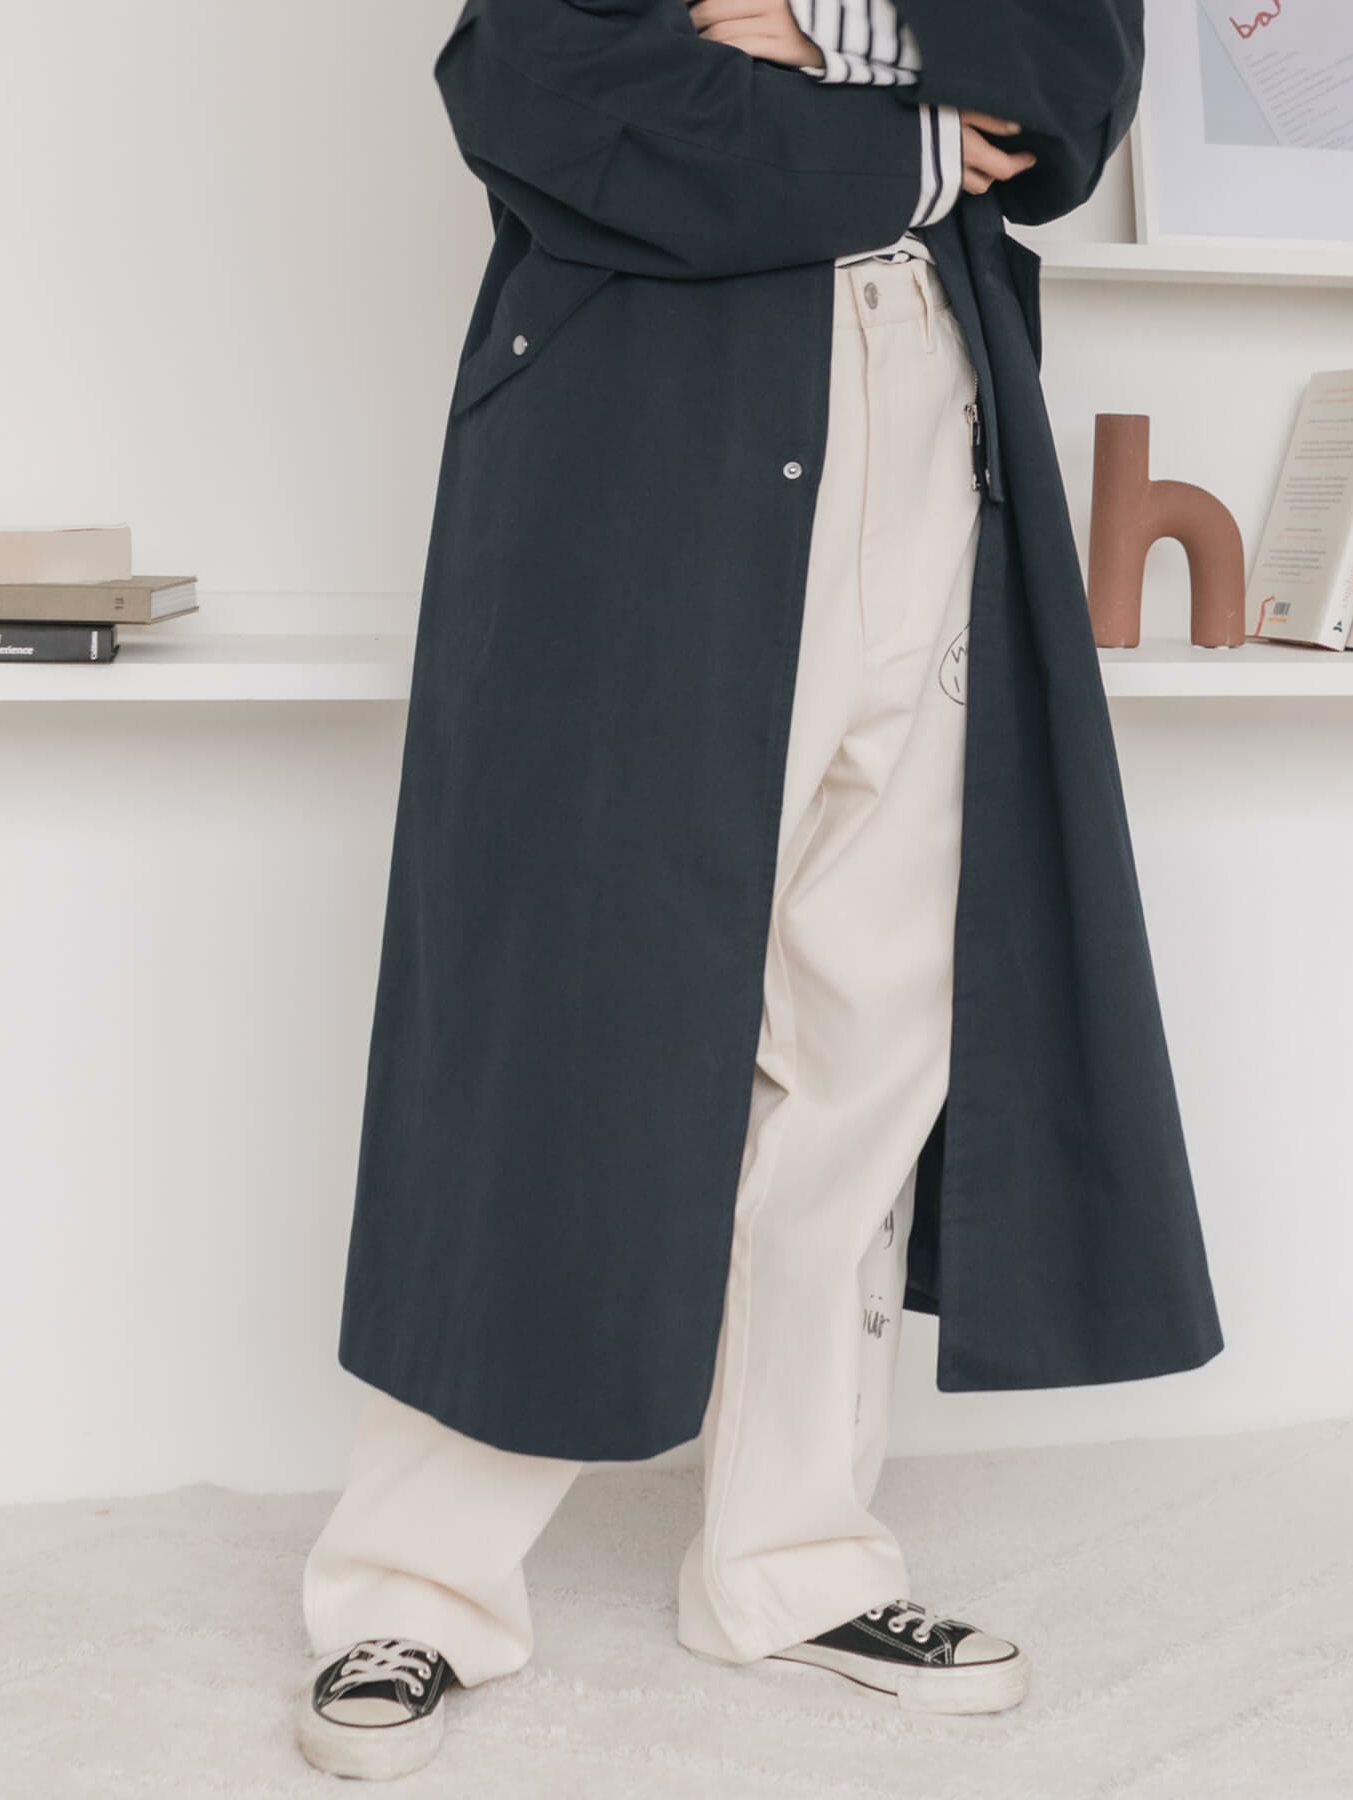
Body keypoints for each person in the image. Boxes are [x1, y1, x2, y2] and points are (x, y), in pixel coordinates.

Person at [296, 0, 1223, 1780]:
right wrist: (922, 137)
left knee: (872, 1042)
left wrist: (818, 28)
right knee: (565, 1032)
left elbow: (1076, 87)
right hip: (645, 461)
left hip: (937, 437)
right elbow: (540, 97)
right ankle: (414, 1589)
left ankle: (794, 1563)